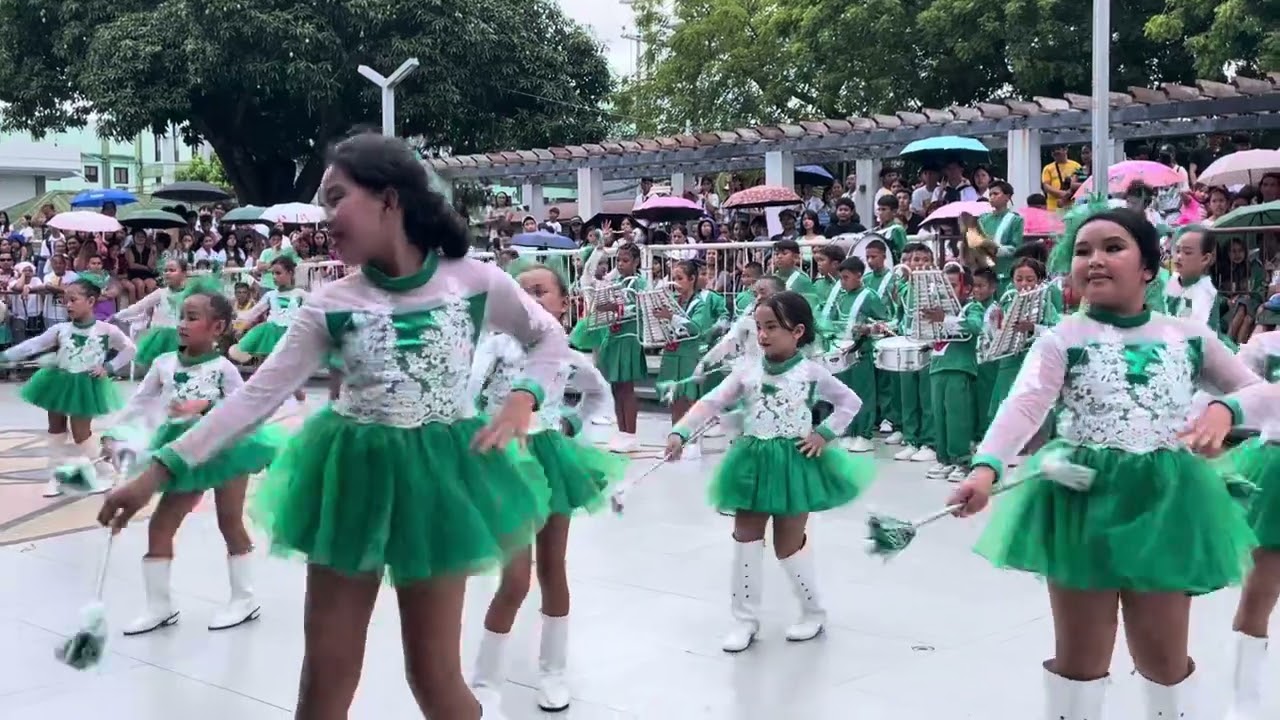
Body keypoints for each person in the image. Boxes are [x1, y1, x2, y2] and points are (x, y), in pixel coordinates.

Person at [97, 132, 572, 720]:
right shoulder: (331, 303)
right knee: (325, 678)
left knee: (434, 678)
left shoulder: (473, 281)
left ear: (389, 199)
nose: (326, 218)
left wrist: (524, 397)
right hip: (351, 485)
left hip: (441, 486)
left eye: (337, 198)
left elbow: (548, 336)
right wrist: (156, 472)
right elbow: (256, 398)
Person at [948, 208, 1277, 719]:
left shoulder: (1188, 336)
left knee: (1164, 657)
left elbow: (1264, 394)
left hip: (1165, 502)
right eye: (1083, 251)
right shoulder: (1062, 339)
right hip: (1083, 502)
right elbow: (1025, 404)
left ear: (1148, 267)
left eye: (1113, 247)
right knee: (1080, 658)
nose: (1095, 260)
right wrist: (986, 468)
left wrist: (1225, 409)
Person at [666, 291, 874, 652]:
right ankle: (744, 619)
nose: (762, 335)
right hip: (752, 462)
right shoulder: (747, 370)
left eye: (772, 327)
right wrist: (681, 431)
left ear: (797, 331)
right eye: (759, 327)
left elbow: (849, 402)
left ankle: (813, 611)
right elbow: (712, 401)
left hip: (795, 463)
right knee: (746, 537)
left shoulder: (810, 372)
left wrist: (823, 434)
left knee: (788, 544)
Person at [467, 265, 625, 715]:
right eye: (522, 292)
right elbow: (468, 394)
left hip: (551, 459)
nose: (531, 300)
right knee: (515, 578)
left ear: (563, 303)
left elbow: (600, 395)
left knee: (553, 568)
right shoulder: (494, 346)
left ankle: (553, 671)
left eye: (540, 291)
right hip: (506, 462)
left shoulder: (568, 355)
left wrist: (573, 425)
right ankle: (485, 680)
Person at [110, 291, 279, 635]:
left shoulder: (224, 368)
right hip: (182, 452)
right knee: (161, 524)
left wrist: (206, 406)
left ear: (217, 327)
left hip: (227, 449)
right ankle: (159, 606)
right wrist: (114, 433)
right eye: (182, 317)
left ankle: (244, 599)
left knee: (229, 520)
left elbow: (244, 409)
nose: (183, 324)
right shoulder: (163, 364)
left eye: (192, 317)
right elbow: (139, 403)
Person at [3, 280, 135, 496]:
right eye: (65, 301)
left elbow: (129, 349)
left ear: (90, 301)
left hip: (85, 385)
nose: (68, 305)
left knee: (81, 433)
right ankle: (56, 475)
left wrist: (109, 367)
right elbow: (34, 344)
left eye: (73, 300)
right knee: (55, 429)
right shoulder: (60, 329)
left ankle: (105, 469)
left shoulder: (106, 330)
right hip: (58, 382)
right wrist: (7, 355)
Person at [1223, 330, 1280, 718]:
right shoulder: (1267, 346)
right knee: (1261, 590)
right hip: (1275, 469)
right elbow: (1228, 396)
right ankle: (1243, 705)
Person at [922, 264, 984, 481]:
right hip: (937, 366)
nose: (947, 291)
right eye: (944, 287)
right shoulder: (938, 310)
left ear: (966, 288)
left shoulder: (972, 307)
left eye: (953, 286)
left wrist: (945, 319)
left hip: (959, 367)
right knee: (939, 416)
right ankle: (944, 459)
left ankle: (963, 460)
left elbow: (975, 326)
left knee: (958, 417)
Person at [113, 258, 191, 367]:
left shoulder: (190, 294)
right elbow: (138, 307)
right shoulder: (161, 293)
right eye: (166, 270)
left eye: (172, 270)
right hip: (159, 337)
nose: (167, 273)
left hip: (180, 336)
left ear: (183, 273)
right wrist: (116, 316)